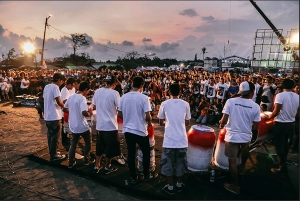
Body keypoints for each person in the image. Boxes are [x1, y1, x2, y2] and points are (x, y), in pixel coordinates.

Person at [219, 81, 261, 194]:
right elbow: (256, 126)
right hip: (246, 135)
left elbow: (224, 120)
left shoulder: (230, 102)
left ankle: (235, 186)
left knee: (232, 162)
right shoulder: (256, 106)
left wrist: (221, 124)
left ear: (241, 92)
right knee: (245, 149)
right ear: (252, 92)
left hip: (232, 136)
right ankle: (242, 167)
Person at [118, 76, 156, 183]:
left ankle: (133, 176)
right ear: (142, 86)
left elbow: (119, 114)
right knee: (146, 152)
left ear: (132, 84)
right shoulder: (144, 98)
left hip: (128, 130)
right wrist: (148, 122)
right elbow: (148, 116)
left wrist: (129, 118)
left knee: (131, 153)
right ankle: (146, 175)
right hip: (140, 130)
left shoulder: (124, 97)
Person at [157, 83, 191, 195]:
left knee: (168, 164)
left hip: (169, 140)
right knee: (181, 164)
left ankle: (170, 187)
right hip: (182, 140)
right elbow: (187, 122)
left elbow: (160, 122)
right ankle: (179, 184)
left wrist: (168, 121)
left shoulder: (164, 104)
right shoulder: (186, 104)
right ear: (180, 92)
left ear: (169, 92)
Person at [265, 79, 299, 173]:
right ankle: (282, 162)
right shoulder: (297, 96)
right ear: (293, 86)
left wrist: (269, 117)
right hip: (291, 124)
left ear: (283, 86)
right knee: (286, 145)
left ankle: (281, 167)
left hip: (280, 124)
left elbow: (276, 111)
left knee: (279, 145)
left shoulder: (280, 95)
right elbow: (298, 113)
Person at [92, 75, 121, 174]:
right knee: (110, 147)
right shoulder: (115, 93)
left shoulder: (97, 91)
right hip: (111, 124)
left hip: (100, 124)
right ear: (114, 84)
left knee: (99, 145)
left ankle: (97, 165)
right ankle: (107, 166)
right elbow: (119, 107)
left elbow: (94, 105)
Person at [63, 81, 95, 168]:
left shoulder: (71, 97)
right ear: (85, 89)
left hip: (73, 125)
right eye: (88, 91)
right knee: (88, 141)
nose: (88, 92)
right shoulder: (82, 98)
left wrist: (73, 112)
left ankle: (70, 162)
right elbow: (84, 112)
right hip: (82, 125)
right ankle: (86, 160)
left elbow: (64, 109)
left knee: (73, 143)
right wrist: (90, 113)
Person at [43, 73, 66, 161]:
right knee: (55, 137)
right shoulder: (55, 87)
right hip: (54, 116)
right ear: (59, 80)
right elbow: (59, 102)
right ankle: (54, 155)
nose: (61, 84)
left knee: (50, 135)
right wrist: (66, 107)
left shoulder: (47, 86)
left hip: (48, 116)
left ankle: (52, 152)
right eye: (62, 82)